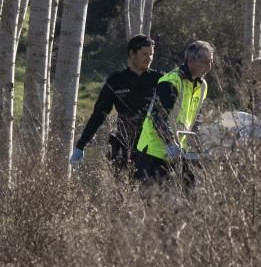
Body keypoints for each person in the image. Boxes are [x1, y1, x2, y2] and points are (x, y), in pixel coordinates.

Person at [69, 35, 162, 173]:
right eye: (145, 54)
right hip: (123, 147)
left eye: (151, 54)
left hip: (152, 148)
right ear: (132, 53)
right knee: (122, 191)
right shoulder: (116, 80)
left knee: (150, 191)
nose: (149, 58)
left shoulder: (160, 80)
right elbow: (99, 114)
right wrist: (80, 145)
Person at [133, 40, 215, 184]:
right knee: (152, 200)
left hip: (179, 152)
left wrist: (198, 140)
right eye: (205, 62)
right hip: (154, 151)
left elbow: (196, 117)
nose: (209, 67)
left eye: (211, 62)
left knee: (185, 197)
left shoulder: (202, 85)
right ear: (191, 60)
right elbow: (157, 118)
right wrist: (171, 143)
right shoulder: (171, 82)